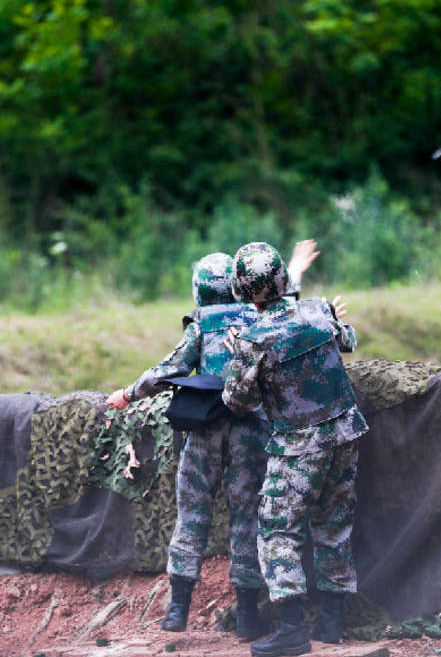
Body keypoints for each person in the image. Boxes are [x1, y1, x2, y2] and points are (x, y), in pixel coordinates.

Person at [106, 241, 320, 641]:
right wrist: (295, 268)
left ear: (199, 289)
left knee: (191, 515)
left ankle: (176, 610)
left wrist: (128, 393)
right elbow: (286, 299)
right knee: (245, 521)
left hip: (205, 429)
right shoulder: (260, 312)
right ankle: (246, 619)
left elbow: (170, 368)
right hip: (251, 432)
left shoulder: (203, 321)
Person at [221, 241, 367, 657]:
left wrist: (237, 355)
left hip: (299, 444)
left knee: (276, 528)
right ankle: (332, 623)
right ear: (284, 277)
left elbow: (237, 402)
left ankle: (291, 629)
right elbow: (349, 340)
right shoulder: (318, 308)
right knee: (333, 523)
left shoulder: (252, 339)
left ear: (242, 290)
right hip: (345, 429)